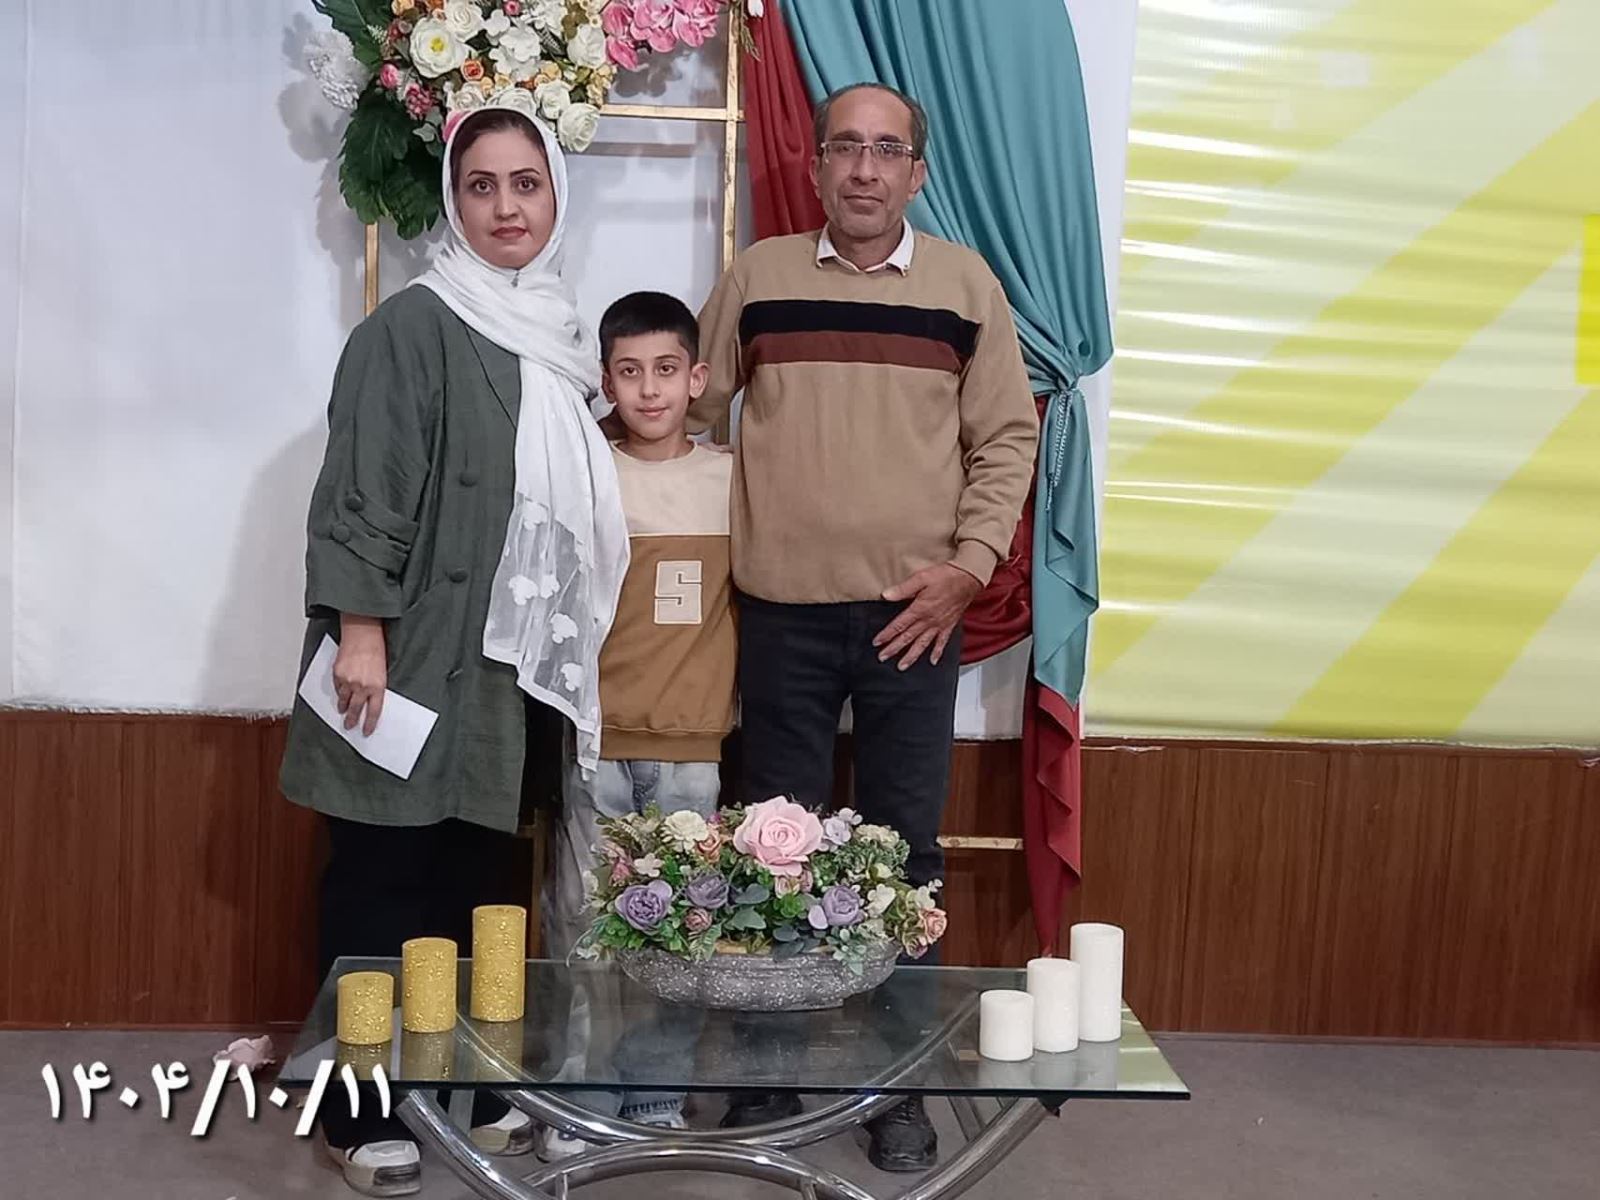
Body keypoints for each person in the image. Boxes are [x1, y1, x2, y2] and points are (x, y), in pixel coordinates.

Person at [279, 102, 627, 1198]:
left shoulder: (557, 337)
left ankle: (462, 1087)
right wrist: (361, 635)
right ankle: (358, 1112)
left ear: (556, 195)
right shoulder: (413, 327)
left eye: (527, 183)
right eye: (482, 186)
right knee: (382, 886)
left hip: (507, 676)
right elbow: (364, 491)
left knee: (477, 894)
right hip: (406, 657)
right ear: (452, 201)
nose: (507, 207)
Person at [689, 82, 1038, 1171]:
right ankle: (767, 1073)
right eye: (846, 147)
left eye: (888, 151)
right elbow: (689, 413)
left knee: (903, 856)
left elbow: (1007, 439)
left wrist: (968, 569)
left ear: (916, 174)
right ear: (817, 164)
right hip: (779, 614)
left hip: (913, 621)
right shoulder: (758, 279)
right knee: (771, 849)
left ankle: (897, 1085)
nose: (864, 169)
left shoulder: (965, 288)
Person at [540, 290, 735, 1159]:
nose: (649, 389)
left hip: (693, 748)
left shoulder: (732, 479)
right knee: (582, 927)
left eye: (665, 370)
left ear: (696, 378)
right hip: (597, 740)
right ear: (605, 381)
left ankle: (656, 1095)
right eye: (628, 372)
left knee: (681, 930)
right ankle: (580, 1097)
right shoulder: (588, 473)